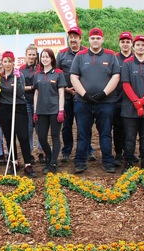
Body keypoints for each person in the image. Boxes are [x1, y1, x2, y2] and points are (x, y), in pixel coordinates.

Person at [69, 27, 120, 173]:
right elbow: (74, 77)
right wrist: (84, 94)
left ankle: (108, 161)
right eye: (93, 38)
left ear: (102, 40)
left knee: (105, 133)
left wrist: (104, 93)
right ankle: (80, 162)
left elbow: (116, 76)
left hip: (106, 103)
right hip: (83, 102)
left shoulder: (111, 56)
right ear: (88, 40)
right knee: (82, 133)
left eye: (98, 38)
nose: (95, 40)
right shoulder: (80, 56)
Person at [56, 26, 95, 163]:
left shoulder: (87, 52)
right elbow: (57, 74)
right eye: (71, 37)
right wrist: (66, 88)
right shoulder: (61, 54)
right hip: (66, 96)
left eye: (75, 37)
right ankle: (66, 151)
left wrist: (81, 90)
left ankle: (88, 150)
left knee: (84, 125)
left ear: (80, 38)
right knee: (66, 125)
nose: (73, 39)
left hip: (83, 97)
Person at [120, 35, 144, 169]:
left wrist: (143, 101)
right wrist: (136, 102)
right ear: (133, 46)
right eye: (138, 45)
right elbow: (125, 84)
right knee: (130, 136)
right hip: (130, 107)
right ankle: (129, 162)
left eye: (143, 45)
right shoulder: (127, 63)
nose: (140, 47)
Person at [0, 51, 36, 177]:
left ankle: (28, 164)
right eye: (5, 61)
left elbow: (20, 93)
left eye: (10, 61)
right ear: (2, 63)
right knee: (9, 137)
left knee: (23, 136)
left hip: (19, 107)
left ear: (13, 62)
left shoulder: (19, 75)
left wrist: (18, 78)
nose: (7, 64)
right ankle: (14, 161)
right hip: (5, 108)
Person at [32, 48, 66, 173]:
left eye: (47, 56)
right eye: (43, 57)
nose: (45, 59)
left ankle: (52, 163)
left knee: (55, 136)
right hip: (41, 111)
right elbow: (36, 93)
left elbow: (61, 93)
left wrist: (61, 110)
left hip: (54, 111)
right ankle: (51, 157)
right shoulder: (37, 75)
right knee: (41, 137)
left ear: (52, 58)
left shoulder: (58, 73)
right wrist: (35, 111)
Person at [113, 31, 134, 165]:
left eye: (128, 42)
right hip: (117, 99)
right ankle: (118, 153)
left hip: (132, 100)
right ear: (119, 43)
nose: (125, 44)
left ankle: (129, 152)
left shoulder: (137, 57)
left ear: (131, 44)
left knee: (131, 128)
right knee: (118, 128)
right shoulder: (114, 58)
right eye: (123, 42)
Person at [20, 44, 41, 161]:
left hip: (40, 102)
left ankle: (41, 151)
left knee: (40, 128)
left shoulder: (40, 68)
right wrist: (32, 87)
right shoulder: (21, 70)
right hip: (26, 101)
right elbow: (20, 87)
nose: (32, 57)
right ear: (26, 55)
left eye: (34, 55)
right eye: (30, 55)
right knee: (28, 129)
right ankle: (29, 153)